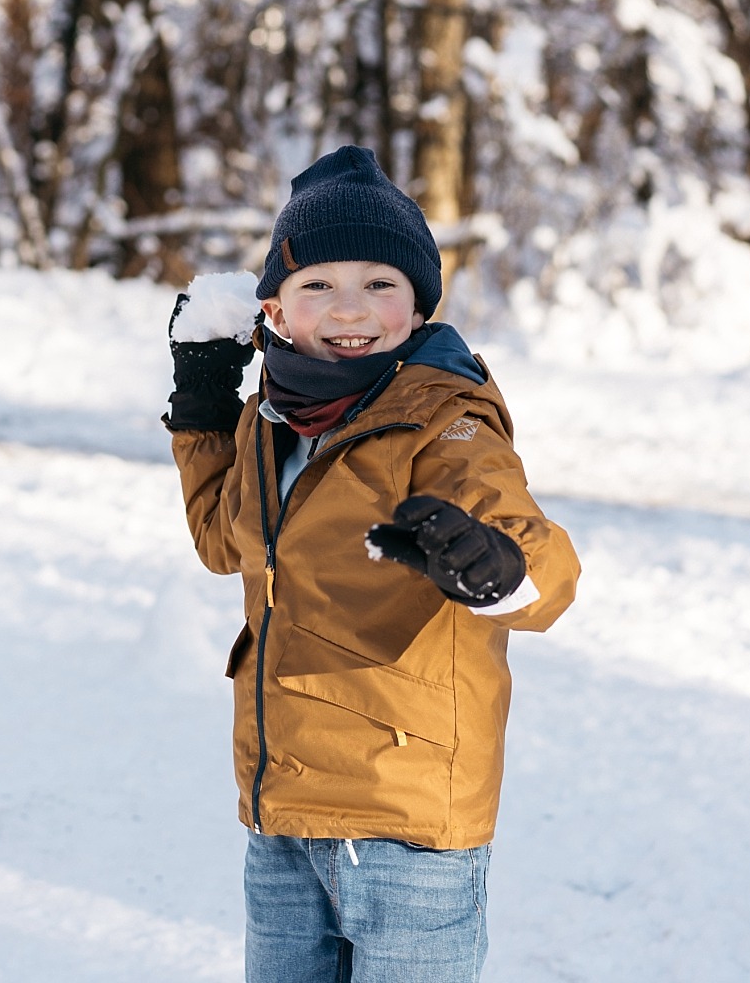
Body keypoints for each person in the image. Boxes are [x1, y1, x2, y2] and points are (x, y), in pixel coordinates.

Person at [162, 145, 581, 983]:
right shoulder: (272, 418)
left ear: (419, 301)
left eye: (380, 284)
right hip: (282, 813)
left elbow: (533, 555)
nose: (349, 307)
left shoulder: (445, 418)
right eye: (318, 284)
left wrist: (496, 564)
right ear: (274, 307)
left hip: (405, 820)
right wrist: (204, 408)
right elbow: (222, 541)